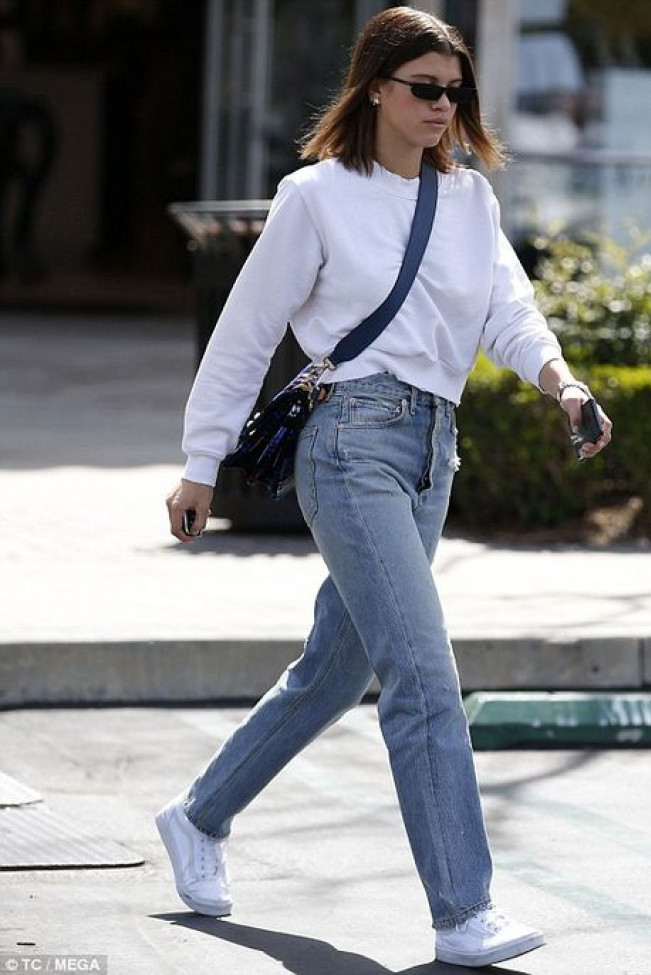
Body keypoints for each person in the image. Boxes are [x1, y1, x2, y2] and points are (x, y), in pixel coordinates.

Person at [157, 6, 612, 968]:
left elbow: (508, 310)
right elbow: (244, 334)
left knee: (336, 668)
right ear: (374, 88)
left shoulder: (470, 201)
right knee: (422, 671)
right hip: (350, 444)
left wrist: (562, 384)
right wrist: (201, 462)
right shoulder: (315, 197)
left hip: (433, 448)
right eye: (424, 89)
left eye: (456, 91)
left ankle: (198, 815)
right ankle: (462, 910)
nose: (443, 107)